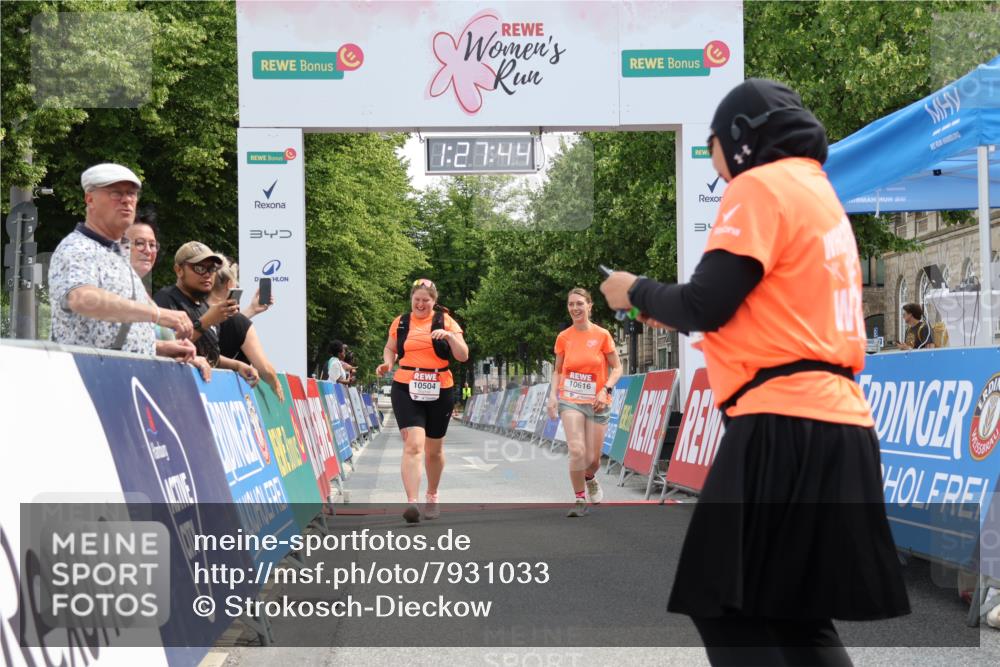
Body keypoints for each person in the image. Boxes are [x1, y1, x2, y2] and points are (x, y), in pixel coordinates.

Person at [601, 79, 909, 665]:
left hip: (782, 422)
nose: (714, 165)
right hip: (840, 422)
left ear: (739, 138)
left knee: (722, 602)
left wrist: (633, 290)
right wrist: (659, 306)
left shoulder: (760, 185)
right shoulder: (818, 194)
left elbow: (705, 304)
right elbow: (757, 308)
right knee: (796, 616)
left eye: (713, 146)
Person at [48, 163, 193, 353]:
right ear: (90, 199)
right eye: (116, 193)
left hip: (118, 369)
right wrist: (157, 314)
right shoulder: (77, 247)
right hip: (89, 369)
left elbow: (118, 334)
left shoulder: (118, 254)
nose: (127, 200)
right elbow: (81, 298)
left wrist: (165, 348)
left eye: (132, 194)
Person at [375, 278, 469, 523]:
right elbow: (390, 348)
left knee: (433, 451)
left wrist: (450, 337)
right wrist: (388, 363)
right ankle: (412, 503)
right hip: (406, 386)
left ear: (434, 301)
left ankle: (432, 495)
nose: (420, 304)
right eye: (416, 299)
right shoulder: (401, 322)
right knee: (413, 445)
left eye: (425, 300)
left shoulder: (446, 321)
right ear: (411, 299)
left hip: (440, 387)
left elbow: (463, 356)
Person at [546, 288, 622, 517]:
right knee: (577, 450)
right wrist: (553, 396)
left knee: (593, 460)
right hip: (570, 400)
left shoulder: (602, 335)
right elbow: (558, 370)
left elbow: (617, 368)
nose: (575, 308)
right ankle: (579, 499)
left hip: (598, 402)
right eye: (571, 304)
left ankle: (589, 477)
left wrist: (605, 389)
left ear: (589, 306)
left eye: (580, 303)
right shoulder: (564, 337)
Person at [153, 241, 259, 386]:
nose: (208, 274)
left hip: (206, 388)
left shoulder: (204, 306)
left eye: (212, 269)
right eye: (200, 268)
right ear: (179, 270)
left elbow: (208, 355)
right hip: (178, 386)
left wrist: (237, 365)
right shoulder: (165, 299)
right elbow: (168, 347)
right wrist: (206, 321)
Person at [124, 209, 212, 381]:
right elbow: (108, 342)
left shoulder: (144, 295)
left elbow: (157, 345)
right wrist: (164, 347)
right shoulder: (107, 290)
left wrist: (187, 355)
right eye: (140, 243)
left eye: (152, 245)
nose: (148, 251)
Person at [210, 258, 285, 401]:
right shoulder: (239, 323)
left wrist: (251, 310)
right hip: (225, 395)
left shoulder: (195, 310)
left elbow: (223, 325)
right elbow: (265, 369)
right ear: (230, 284)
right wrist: (276, 384)